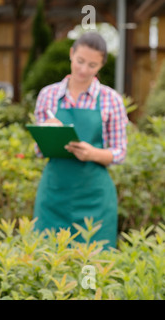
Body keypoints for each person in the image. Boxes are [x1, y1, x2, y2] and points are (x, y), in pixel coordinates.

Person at [33, 32, 128, 249]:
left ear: (101, 65)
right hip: (54, 196)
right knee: (48, 262)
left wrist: (92, 153)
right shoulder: (48, 96)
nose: (84, 70)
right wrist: (48, 132)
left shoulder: (110, 99)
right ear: (71, 54)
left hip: (94, 199)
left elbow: (120, 152)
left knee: (93, 265)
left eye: (92, 65)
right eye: (80, 61)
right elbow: (39, 151)